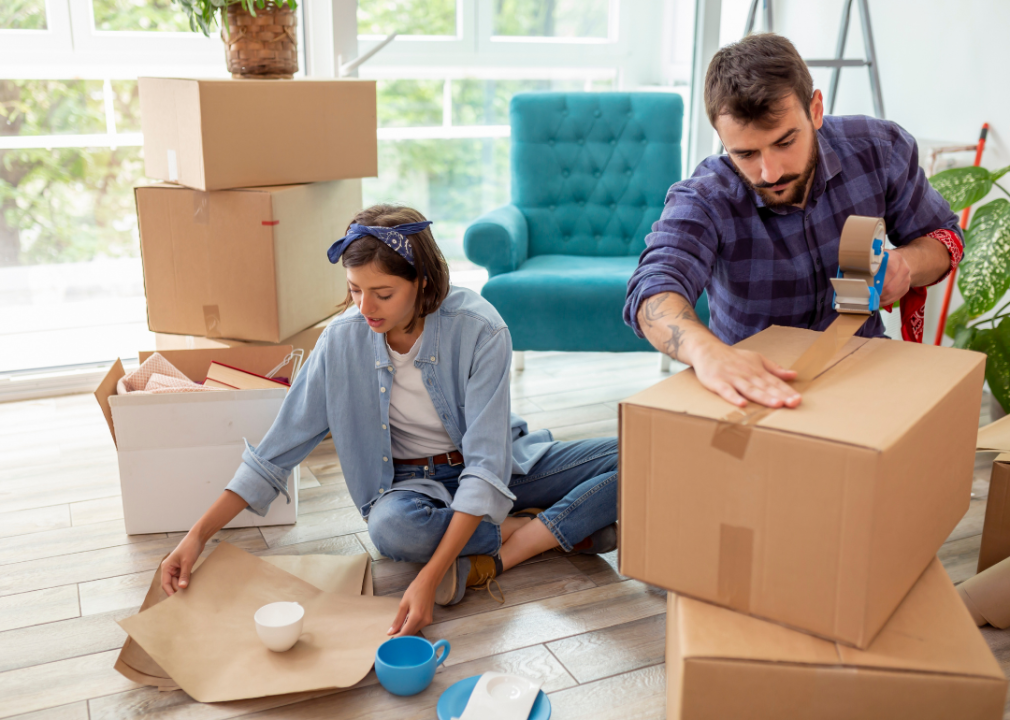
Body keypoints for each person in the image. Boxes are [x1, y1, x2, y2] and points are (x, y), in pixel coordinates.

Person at [160, 204, 618, 637]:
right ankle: (540, 528)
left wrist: (428, 579)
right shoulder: (342, 341)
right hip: (412, 484)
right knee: (393, 529)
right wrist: (196, 535)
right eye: (355, 290)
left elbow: (486, 465)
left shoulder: (480, 328)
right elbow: (276, 451)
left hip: (505, 463)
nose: (365, 307)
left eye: (382, 293)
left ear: (421, 281)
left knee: (640, 456)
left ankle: (506, 551)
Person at [625, 33, 963, 409]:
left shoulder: (878, 149)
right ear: (722, 139)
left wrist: (908, 266)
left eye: (785, 142)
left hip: (866, 367)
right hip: (756, 387)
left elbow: (944, 236)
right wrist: (708, 353)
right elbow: (653, 288)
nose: (770, 172)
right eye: (746, 153)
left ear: (815, 109)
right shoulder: (706, 195)